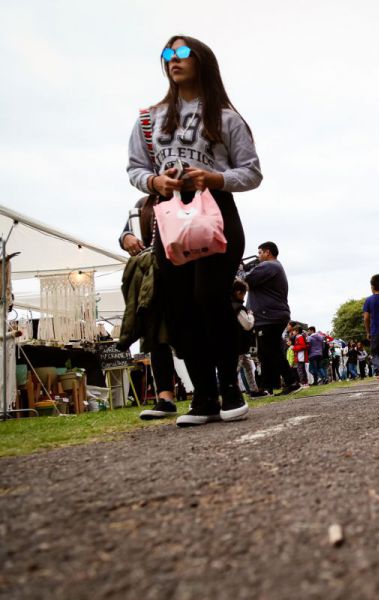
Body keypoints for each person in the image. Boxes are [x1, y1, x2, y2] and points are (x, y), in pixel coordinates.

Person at [127, 35, 261, 426]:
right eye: (167, 54)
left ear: (201, 60)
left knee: (209, 297)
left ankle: (230, 388)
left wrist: (215, 177)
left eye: (182, 52)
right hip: (171, 217)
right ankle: (202, 395)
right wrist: (155, 183)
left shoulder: (225, 117)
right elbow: (135, 167)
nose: (173, 59)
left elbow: (251, 171)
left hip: (215, 212)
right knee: (179, 306)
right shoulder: (149, 118)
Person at [118, 197, 182, 420]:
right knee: (156, 336)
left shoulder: (186, 193)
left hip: (183, 271)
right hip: (153, 275)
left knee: (190, 335)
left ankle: (208, 393)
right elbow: (125, 233)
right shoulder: (143, 203)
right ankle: (165, 399)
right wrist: (126, 237)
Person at [245, 242, 301, 395]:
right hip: (269, 315)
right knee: (265, 352)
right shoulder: (273, 267)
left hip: (268, 316)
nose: (258, 256)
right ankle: (266, 387)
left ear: (267, 252)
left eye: (260, 252)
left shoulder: (269, 266)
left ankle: (291, 382)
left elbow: (246, 280)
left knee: (271, 351)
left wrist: (240, 269)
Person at [233, 279, 267, 398]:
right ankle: (227, 392)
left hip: (238, 344)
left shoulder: (229, 305)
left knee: (248, 367)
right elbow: (247, 325)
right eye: (244, 293)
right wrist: (251, 315)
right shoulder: (238, 307)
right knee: (234, 370)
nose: (244, 296)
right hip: (238, 345)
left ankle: (254, 390)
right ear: (238, 293)